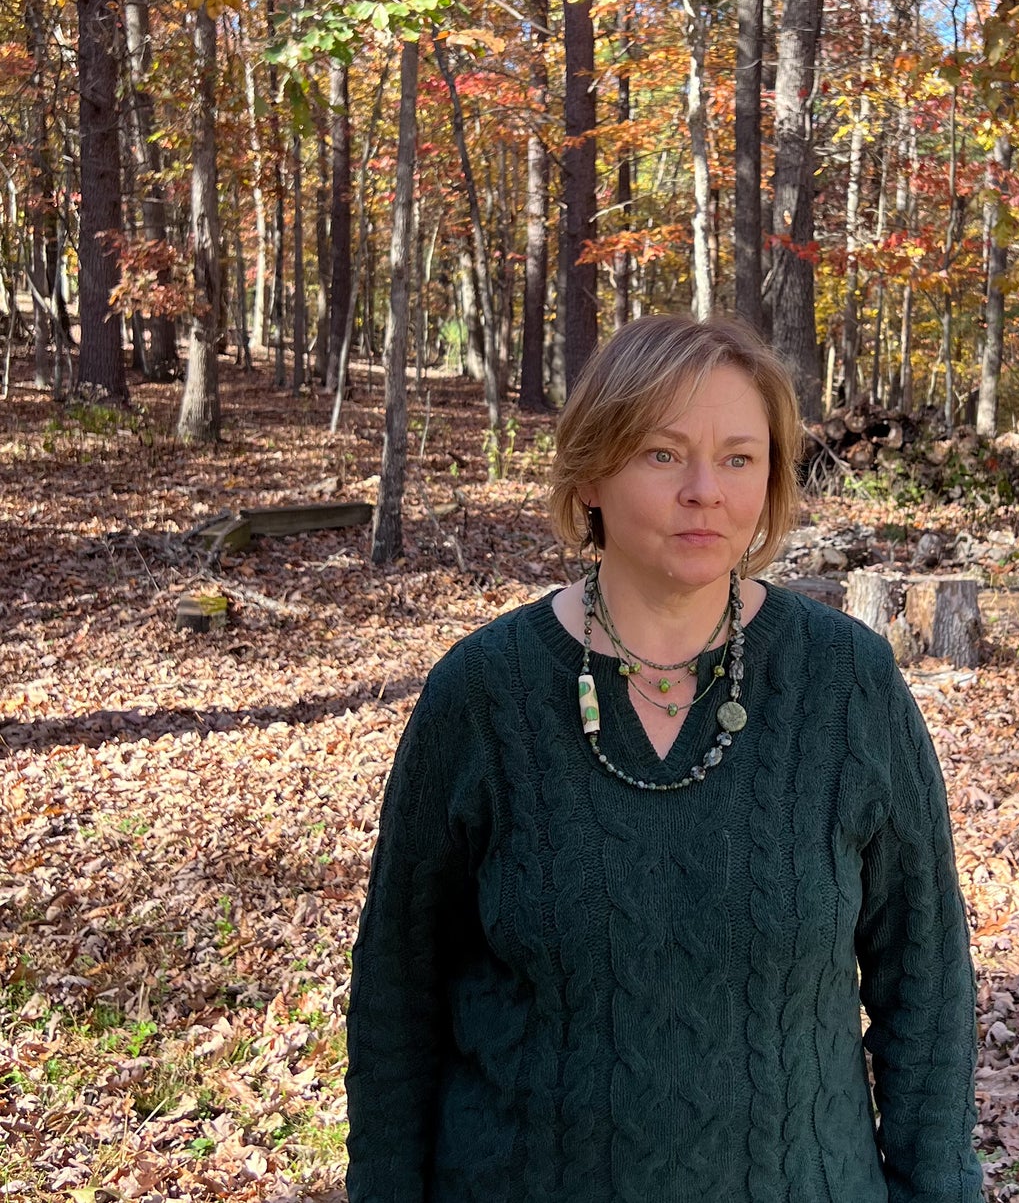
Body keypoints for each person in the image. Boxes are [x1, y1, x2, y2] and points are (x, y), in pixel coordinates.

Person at [345, 314, 982, 1203]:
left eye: (737, 457)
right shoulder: (482, 696)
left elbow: (928, 986)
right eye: (659, 453)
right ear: (592, 471)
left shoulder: (847, 684)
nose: (703, 491)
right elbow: (396, 1000)